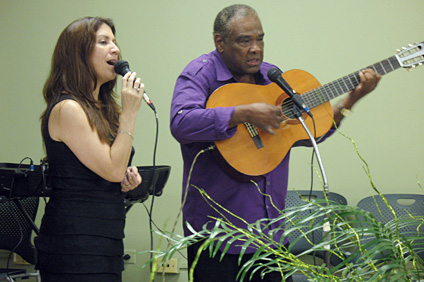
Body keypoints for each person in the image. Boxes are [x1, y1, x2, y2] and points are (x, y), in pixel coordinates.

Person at [170, 4, 381, 282]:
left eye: (260, 38)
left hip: (270, 234)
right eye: (245, 40)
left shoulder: (274, 79)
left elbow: (308, 130)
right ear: (219, 42)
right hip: (217, 237)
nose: (256, 48)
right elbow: (181, 122)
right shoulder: (201, 74)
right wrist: (242, 113)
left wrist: (351, 99)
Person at [37, 17, 143, 282]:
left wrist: (128, 179)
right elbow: (110, 169)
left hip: (106, 239)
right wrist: (130, 114)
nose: (115, 49)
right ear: (78, 54)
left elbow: (112, 170)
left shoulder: (105, 110)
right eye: (103, 42)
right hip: (74, 245)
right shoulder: (68, 108)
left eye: (115, 42)